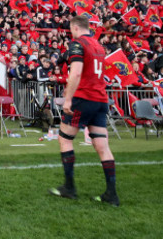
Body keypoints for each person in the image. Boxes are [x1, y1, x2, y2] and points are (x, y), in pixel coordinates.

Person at [49, 15, 120, 206]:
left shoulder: (77, 44)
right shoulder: (98, 45)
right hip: (100, 99)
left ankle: (69, 188)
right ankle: (111, 194)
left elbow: (77, 72)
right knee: (102, 146)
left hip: (83, 97)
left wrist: (68, 99)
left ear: (74, 27)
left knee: (64, 139)